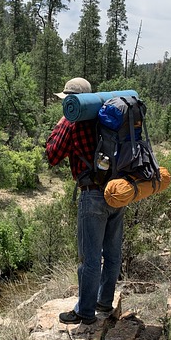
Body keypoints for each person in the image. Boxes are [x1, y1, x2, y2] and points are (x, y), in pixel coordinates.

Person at [45, 77, 125, 325]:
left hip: (92, 194)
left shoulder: (73, 122)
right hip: (116, 190)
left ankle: (85, 312)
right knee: (112, 254)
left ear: (71, 101)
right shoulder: (106, 117)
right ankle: (104, 302)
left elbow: (52, 154)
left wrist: (63, 121)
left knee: (89, 258)